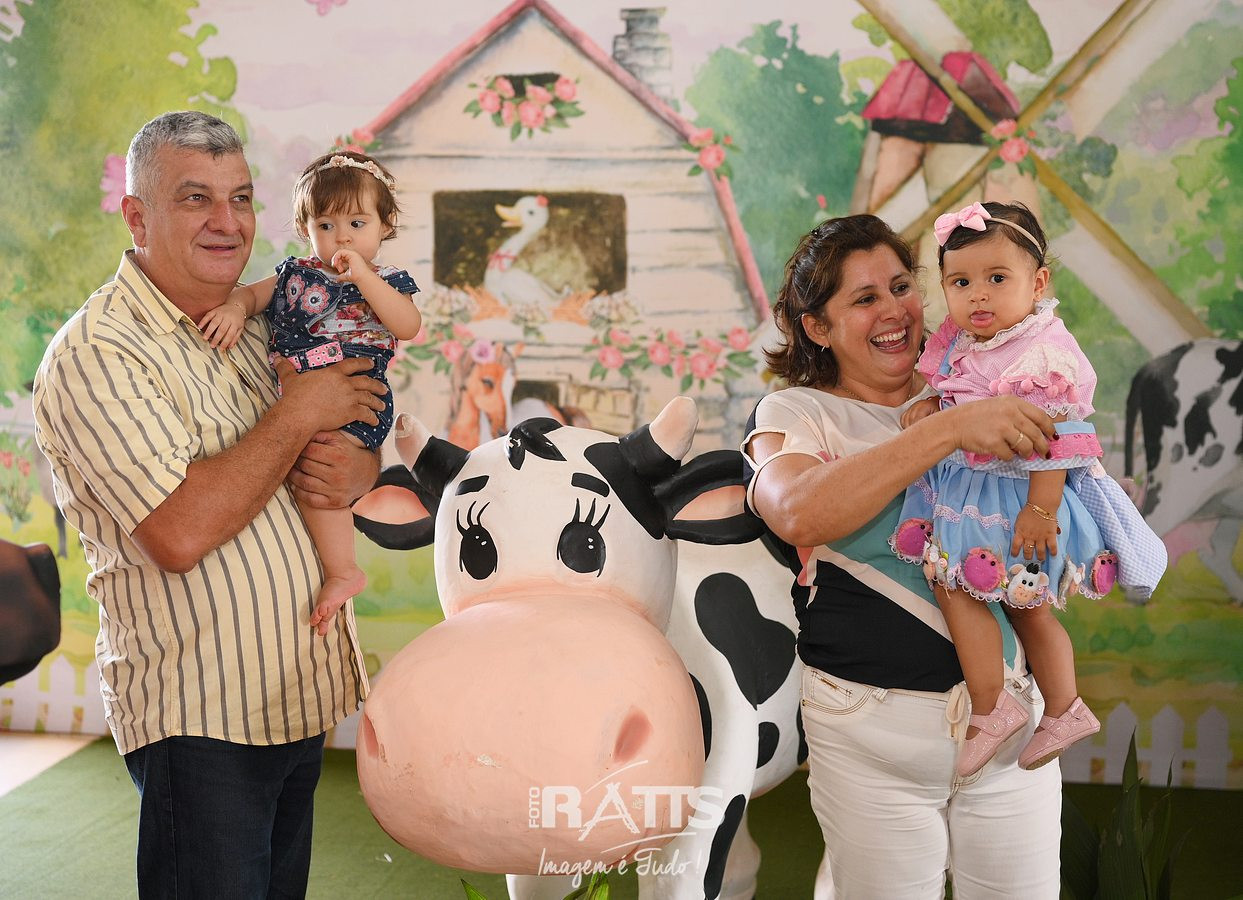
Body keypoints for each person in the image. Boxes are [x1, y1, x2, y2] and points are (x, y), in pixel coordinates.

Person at [32, 111, 385, 898]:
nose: (228, 222)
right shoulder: (98, 352)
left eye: (241, 197)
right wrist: (298, 413)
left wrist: (359, 465)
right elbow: (179, 532)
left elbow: (345, 439)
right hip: (200, 716)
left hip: (294, 697)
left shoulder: (266, 326)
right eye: (196, 198)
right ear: (137, 217)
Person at [743, 213, 1063, 897]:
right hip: (870, 734)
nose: (893, 311)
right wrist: (949, 430)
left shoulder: (977, 383)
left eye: (900, 286)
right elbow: (796, 510)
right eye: (864, 298)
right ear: (816, 327)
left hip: (1010, 723)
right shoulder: (795, 414)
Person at [890, 201, 1167, 778]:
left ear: (1037, 283)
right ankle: (1061, 708)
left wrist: (1041, 509)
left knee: (968, 590)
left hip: (1015, 498)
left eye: (997, 279)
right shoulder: (969, 341)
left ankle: (995, 705)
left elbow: (1058, 438)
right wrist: (933, 406)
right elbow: (962, 395)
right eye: (961, 283)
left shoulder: (1041, 353)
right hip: (977, 487)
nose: (978, 296)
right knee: (1019, 607)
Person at [198, 150, 422, 635]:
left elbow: (407, 325)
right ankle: (332, 569)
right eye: (325, 224)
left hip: (359, 394)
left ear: (385, 226)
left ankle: (342, 569)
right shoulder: (293, 276)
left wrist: (363, 277)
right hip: (300, 391)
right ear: (306, 228)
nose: (342, 237)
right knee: (305, 466)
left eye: (357, 224)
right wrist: (235, 309)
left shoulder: (385, 282)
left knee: (323, 466)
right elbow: (248, 295)